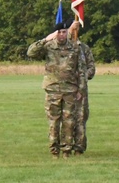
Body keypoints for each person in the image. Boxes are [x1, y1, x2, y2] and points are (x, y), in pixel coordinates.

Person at [27, 21, 83, 157]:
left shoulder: (74, 48)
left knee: (69, 121)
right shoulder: (48, 47)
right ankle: (54, 150)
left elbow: (80, 70)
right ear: (55, 33)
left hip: (70, 90)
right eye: (59, 32)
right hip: (53, 89)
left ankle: (66, 150)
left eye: (64, 32)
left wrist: (80, 89)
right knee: (54, 121)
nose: (62, 35)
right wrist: (46, 39)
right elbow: (31, 52)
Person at [69, 20, 96, 154]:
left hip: (81, 90)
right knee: (66, 119)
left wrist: (83, 77)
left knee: (80, 118)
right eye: (74, 27)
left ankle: (79, 147)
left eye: (78, 27)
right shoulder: (63, 47)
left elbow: (91, 67)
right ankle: (66, 145)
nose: (76, 30)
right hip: (65, 89)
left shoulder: (84, 48)